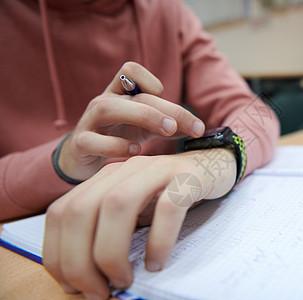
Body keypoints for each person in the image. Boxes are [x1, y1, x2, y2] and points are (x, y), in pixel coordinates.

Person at [0, 0, 279, 299]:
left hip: (151, 229)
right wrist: (62, 162)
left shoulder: (168, 12)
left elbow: (255, 112)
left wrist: (216, 156)